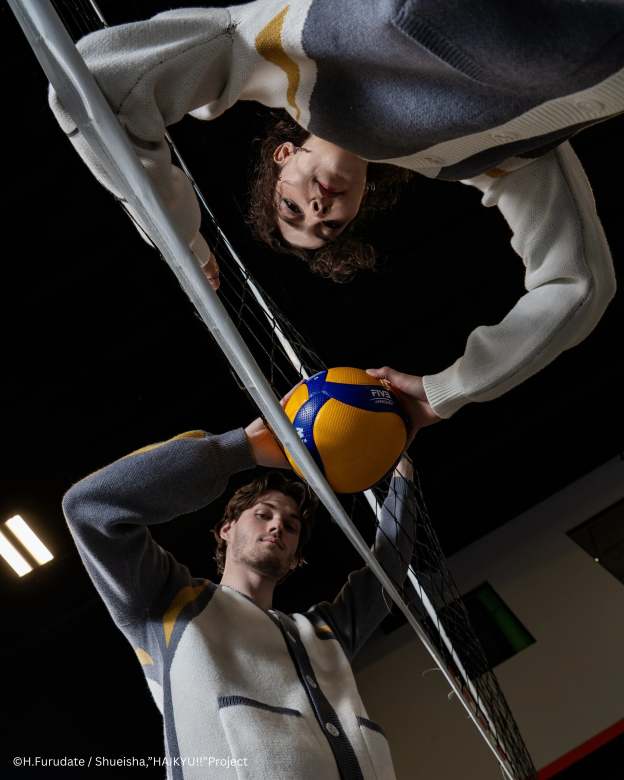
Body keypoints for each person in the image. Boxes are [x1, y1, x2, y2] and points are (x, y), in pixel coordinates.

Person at [49, 1, 621, 428]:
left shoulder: (275, 51)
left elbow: (97, 84)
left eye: (292, 206)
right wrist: (447, 390)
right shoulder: (479, 160)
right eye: (328, 225)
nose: (318, 208)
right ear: (360, 201)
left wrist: (182, 243)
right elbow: (577, 285)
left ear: (283, 155)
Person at [61, 409, 416, 779]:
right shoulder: (169, 602)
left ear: (295, 559)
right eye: (264, 514)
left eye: (291, 526)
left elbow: (389, 565)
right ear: (225, 529)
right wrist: (240, 449)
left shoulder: (323, 633)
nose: (277, 525)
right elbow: (88, 506)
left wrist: (400, 457)